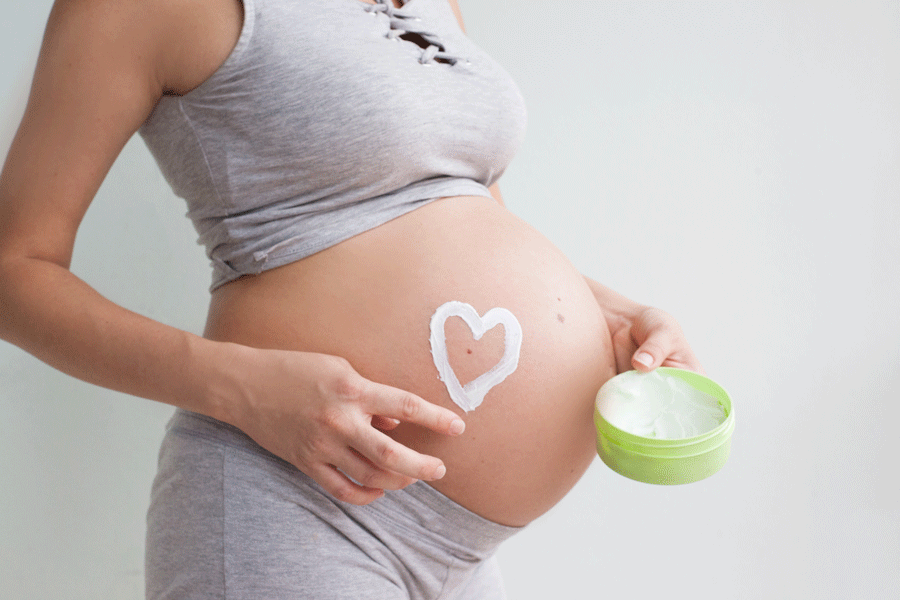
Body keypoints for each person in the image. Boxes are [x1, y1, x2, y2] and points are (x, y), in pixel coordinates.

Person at [0, 0, 703, 598]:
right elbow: (14, 271)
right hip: (294, 504)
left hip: (467, 553)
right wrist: (245, 388)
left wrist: (604, 314)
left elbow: (459, 210)